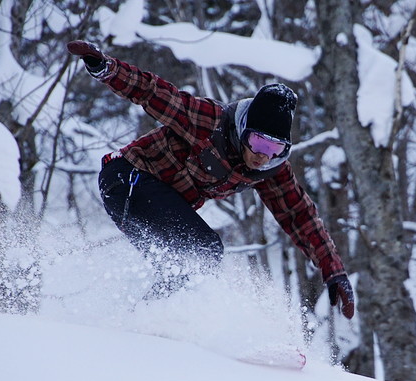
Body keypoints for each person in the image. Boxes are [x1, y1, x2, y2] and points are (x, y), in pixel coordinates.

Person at [67, 40, 355, 319]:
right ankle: (155, 315)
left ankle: (146, 321)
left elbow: (301, 217)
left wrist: (334, 271)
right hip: (127, 176)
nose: (263, 156)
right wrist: (106, 68)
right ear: (244, 128)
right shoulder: (211, 122)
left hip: (152, 200)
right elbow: (154, 93)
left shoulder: (271, 170)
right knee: (203, 250)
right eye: (258, 142)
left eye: (275, 149)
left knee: (181, 265)